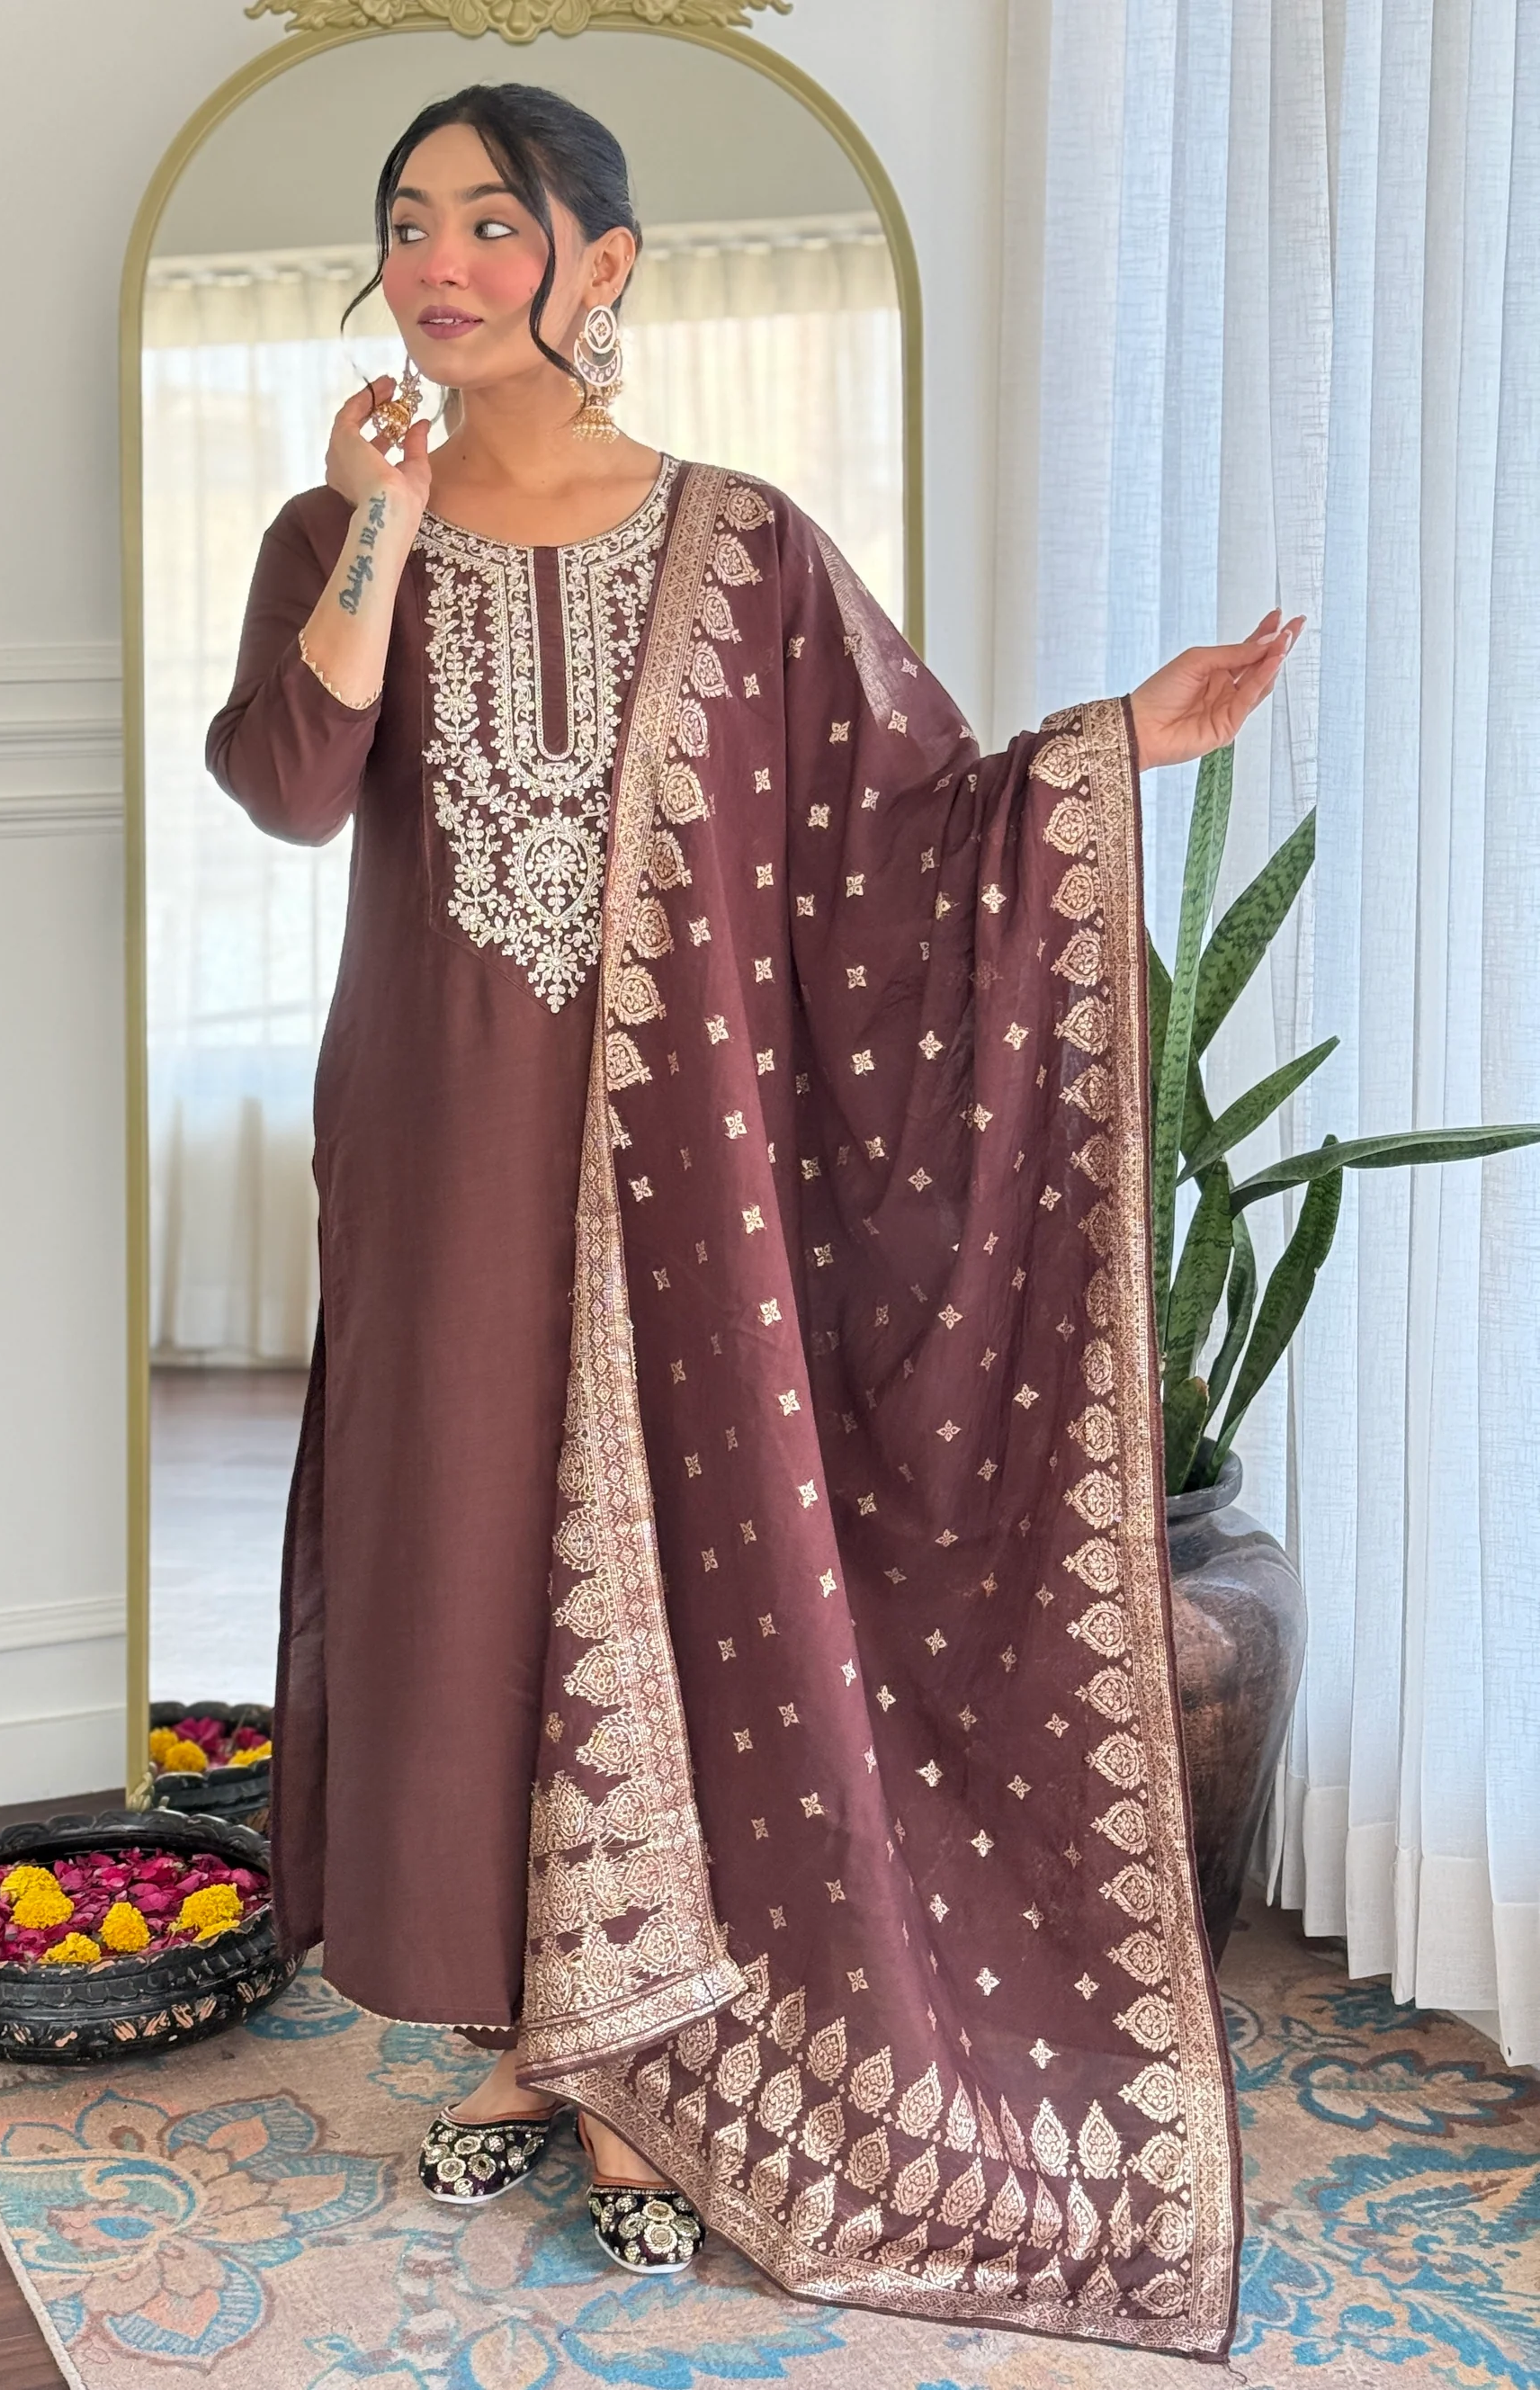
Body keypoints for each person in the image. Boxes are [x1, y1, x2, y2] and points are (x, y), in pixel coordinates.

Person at [206, 80, 1302, 2350]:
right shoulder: (341, 521)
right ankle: (536, 2019)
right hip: (420, 1144)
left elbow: (904, 826)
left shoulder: (743, 545)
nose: (439, 259)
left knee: (668, 1572)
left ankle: (644, 2074)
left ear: (603, 264)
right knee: (455, 1556)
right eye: (406, 221)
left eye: (492, 221)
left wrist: (1119, 745)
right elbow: (292, 791)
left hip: (674, 1178)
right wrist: (378, 535)